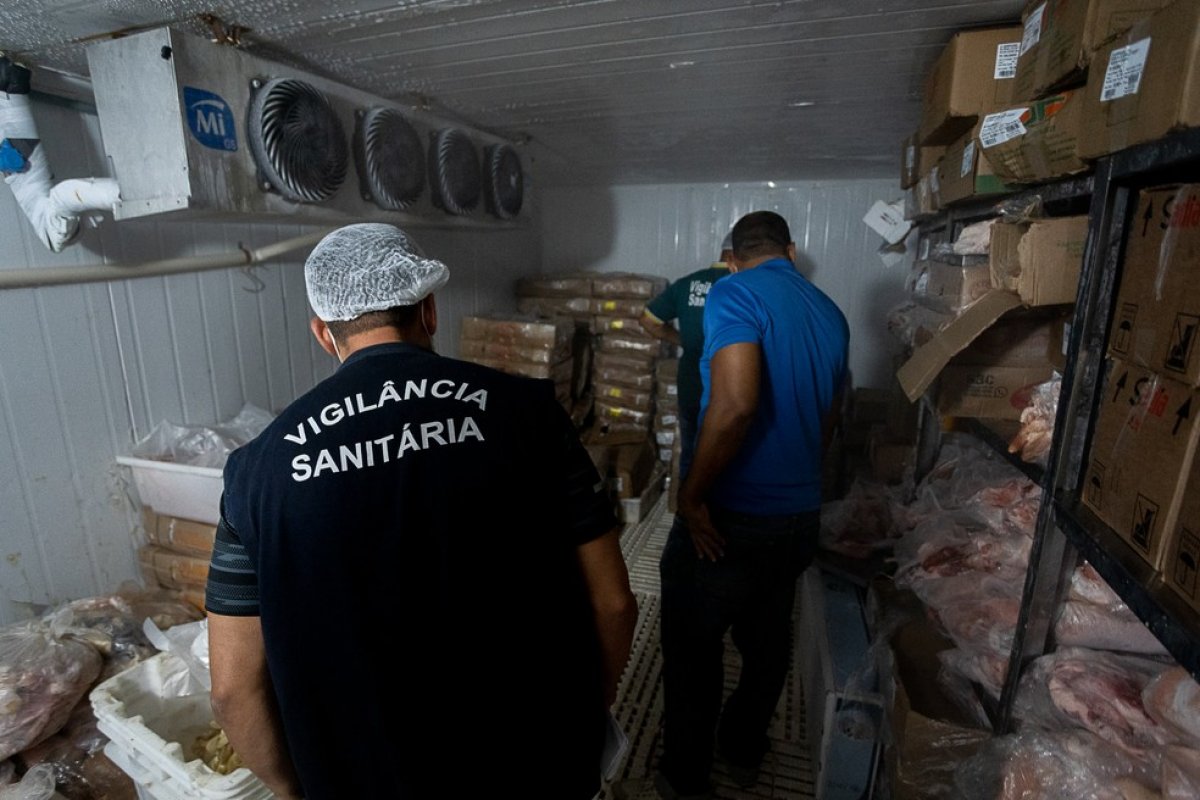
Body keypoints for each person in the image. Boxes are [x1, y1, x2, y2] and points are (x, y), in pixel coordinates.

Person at [204, 223, 638, 800]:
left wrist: (295, 787)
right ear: (428, 310)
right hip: (534, 763)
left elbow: (232, 689)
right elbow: (613, 601)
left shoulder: (254, 474)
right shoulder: (527, 414)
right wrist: (586, 716)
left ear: (322, 333)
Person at [655, 211, 849, 799]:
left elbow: (736, 403)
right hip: (797, 516)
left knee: (693, 645)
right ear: (791, 249)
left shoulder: (732, 291)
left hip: (732, 515)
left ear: (733, 257)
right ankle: (742, 748)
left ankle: (685, 777)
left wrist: (691, 498)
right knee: (766, 641)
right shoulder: (828, 309)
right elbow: (832, 412)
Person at [639, 232, 733, 478]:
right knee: (727, 460)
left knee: (691, 454)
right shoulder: (742, 286)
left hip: (692, 385)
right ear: (736, 254)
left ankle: (685, 510)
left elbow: (648, 320)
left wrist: (685, 341)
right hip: (730, 391)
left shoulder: (689, 283)